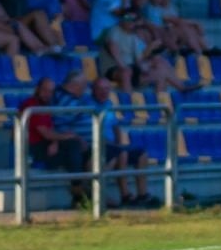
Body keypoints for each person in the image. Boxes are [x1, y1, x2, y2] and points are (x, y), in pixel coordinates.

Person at [86, 76, 156, 208]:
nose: (104, 92)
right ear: (93, 90)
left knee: (142, 154)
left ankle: (142, 194)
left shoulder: (109, 104)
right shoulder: (88, 106)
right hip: (99, 145)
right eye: (100, 89)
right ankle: (125, 195)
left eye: (106, 88)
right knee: (122, 153)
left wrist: (119, 141)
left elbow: (115, 126)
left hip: (113, 145)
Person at [20, 75, 89, 207]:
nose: (48, 94)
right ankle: (79, 193)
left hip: (46, 145)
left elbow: (51, 130)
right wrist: (68, 137)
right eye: (45, 90)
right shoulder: (31, 106)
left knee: (81, 151)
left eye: (51, 91)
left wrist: (55, 142)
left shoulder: (46, 106)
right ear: (37, 89)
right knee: (74, 147)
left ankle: (80, 192)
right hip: (34, 149)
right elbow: (45, 133)